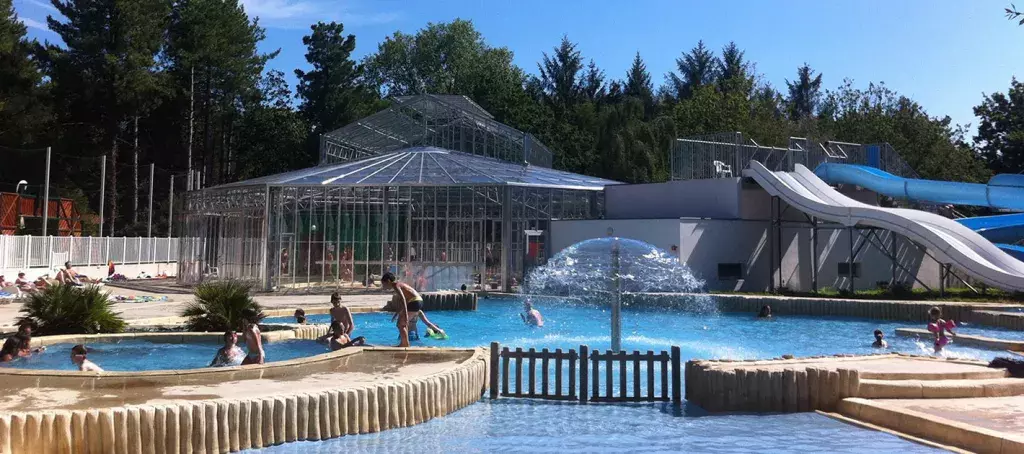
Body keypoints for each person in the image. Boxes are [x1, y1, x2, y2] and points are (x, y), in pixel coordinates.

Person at [382, 272, 446, 346]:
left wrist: (405, 315)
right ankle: (404, 343)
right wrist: (397, 314)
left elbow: (403, 299)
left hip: (414, 301)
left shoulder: (396, 285)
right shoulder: (399, 284)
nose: (383, 286)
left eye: (384, 284)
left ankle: (405, 344)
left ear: (388, 281)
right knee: (400, 323)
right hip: (417, 300)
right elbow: (404, 301)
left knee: (401, 324)